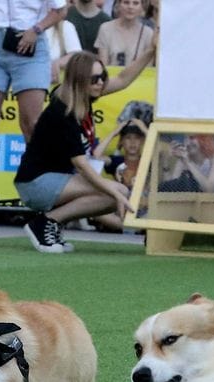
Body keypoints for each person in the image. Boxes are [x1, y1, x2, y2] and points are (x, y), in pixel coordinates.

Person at [14, 47, 155, 253]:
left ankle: (51, 222)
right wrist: (115, 193)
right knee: (117, 192)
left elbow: (123, 79)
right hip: (35, 184)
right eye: (95, 79)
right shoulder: (63, 112)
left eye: (103, 76)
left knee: (117, 193)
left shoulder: (82, 94)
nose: (100, 83)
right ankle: (45, 223)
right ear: (80, 81)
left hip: (56, 179)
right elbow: (81, 164)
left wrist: (151, 50)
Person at [0, 0, 65, 224]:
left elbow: (61, 10)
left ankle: (43, 191)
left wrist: (36, 29)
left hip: (30, 43)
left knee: (31, 124)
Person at [88, 117, 145, 229]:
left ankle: (135, 227)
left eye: (137, 138)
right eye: (128, 138)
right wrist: (114, 132)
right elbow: (96, 156)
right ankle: (132, 227)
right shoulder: (116, 161)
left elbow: (161, 151)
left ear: (143, 141)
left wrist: (144, 129)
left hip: (144, 211)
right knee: (92, 211)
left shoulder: (149, 161)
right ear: (121, 141)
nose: (133, 142)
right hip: (119, 212)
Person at [94, 0, 151, 67]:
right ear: (118, 5)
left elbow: (148, 68)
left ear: (142, 7)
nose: (130, 7)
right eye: (126, 2)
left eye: (135, 3)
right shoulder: (105, 29)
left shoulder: (148, 33)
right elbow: (103, 66)